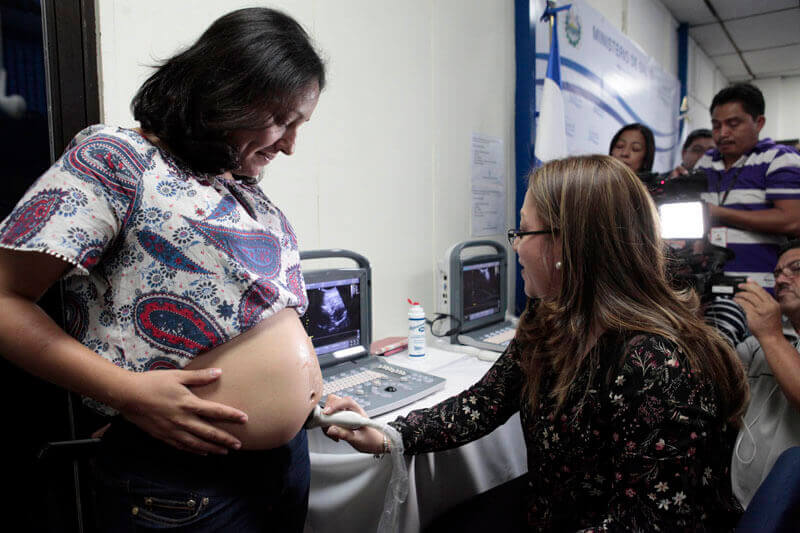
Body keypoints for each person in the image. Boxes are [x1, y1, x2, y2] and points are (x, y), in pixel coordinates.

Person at [0, 7, 325, 531]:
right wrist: (123, 391)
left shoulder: (235, 182)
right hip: (183, 483)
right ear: (227, 93)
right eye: (283, 120)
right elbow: (4, 301)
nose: (290, 145)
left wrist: (313, 391)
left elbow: (257, 314)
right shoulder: (115, 159)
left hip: (283, 464)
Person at [324, 155, 749, 531]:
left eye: (524, 231)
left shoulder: (657, 365)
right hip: (550, 511)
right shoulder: (550, 317)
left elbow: (647, 520)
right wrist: (386, 435)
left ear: (570, 244)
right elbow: (482, 404)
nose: (516, 246)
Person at [695, 83, 800, 291]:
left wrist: (716, 213)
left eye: (733, 124)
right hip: (706, 287)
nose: (722, 133)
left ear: (759, 123)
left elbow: (793, 221)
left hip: (759, 288)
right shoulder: (705, 162)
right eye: (716, 125)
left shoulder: (779, 158)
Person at [730, 239, 800, 508]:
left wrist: (771, 335)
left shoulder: (769, 337)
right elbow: (729, 409)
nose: (781, 279)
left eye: (796, 268)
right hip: (745, 506)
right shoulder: (755, 346)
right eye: (777, 273)